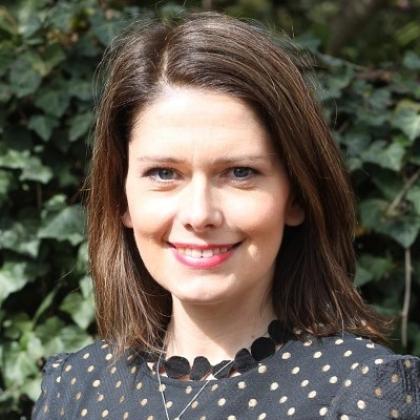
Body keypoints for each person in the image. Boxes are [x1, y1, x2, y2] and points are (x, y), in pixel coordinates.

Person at [33, 12, 419, 420]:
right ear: (121, 199)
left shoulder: (366, 391)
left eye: (240, 173)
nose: (200, 214)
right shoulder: (74, 387)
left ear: (296, 197)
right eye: (164, 173)